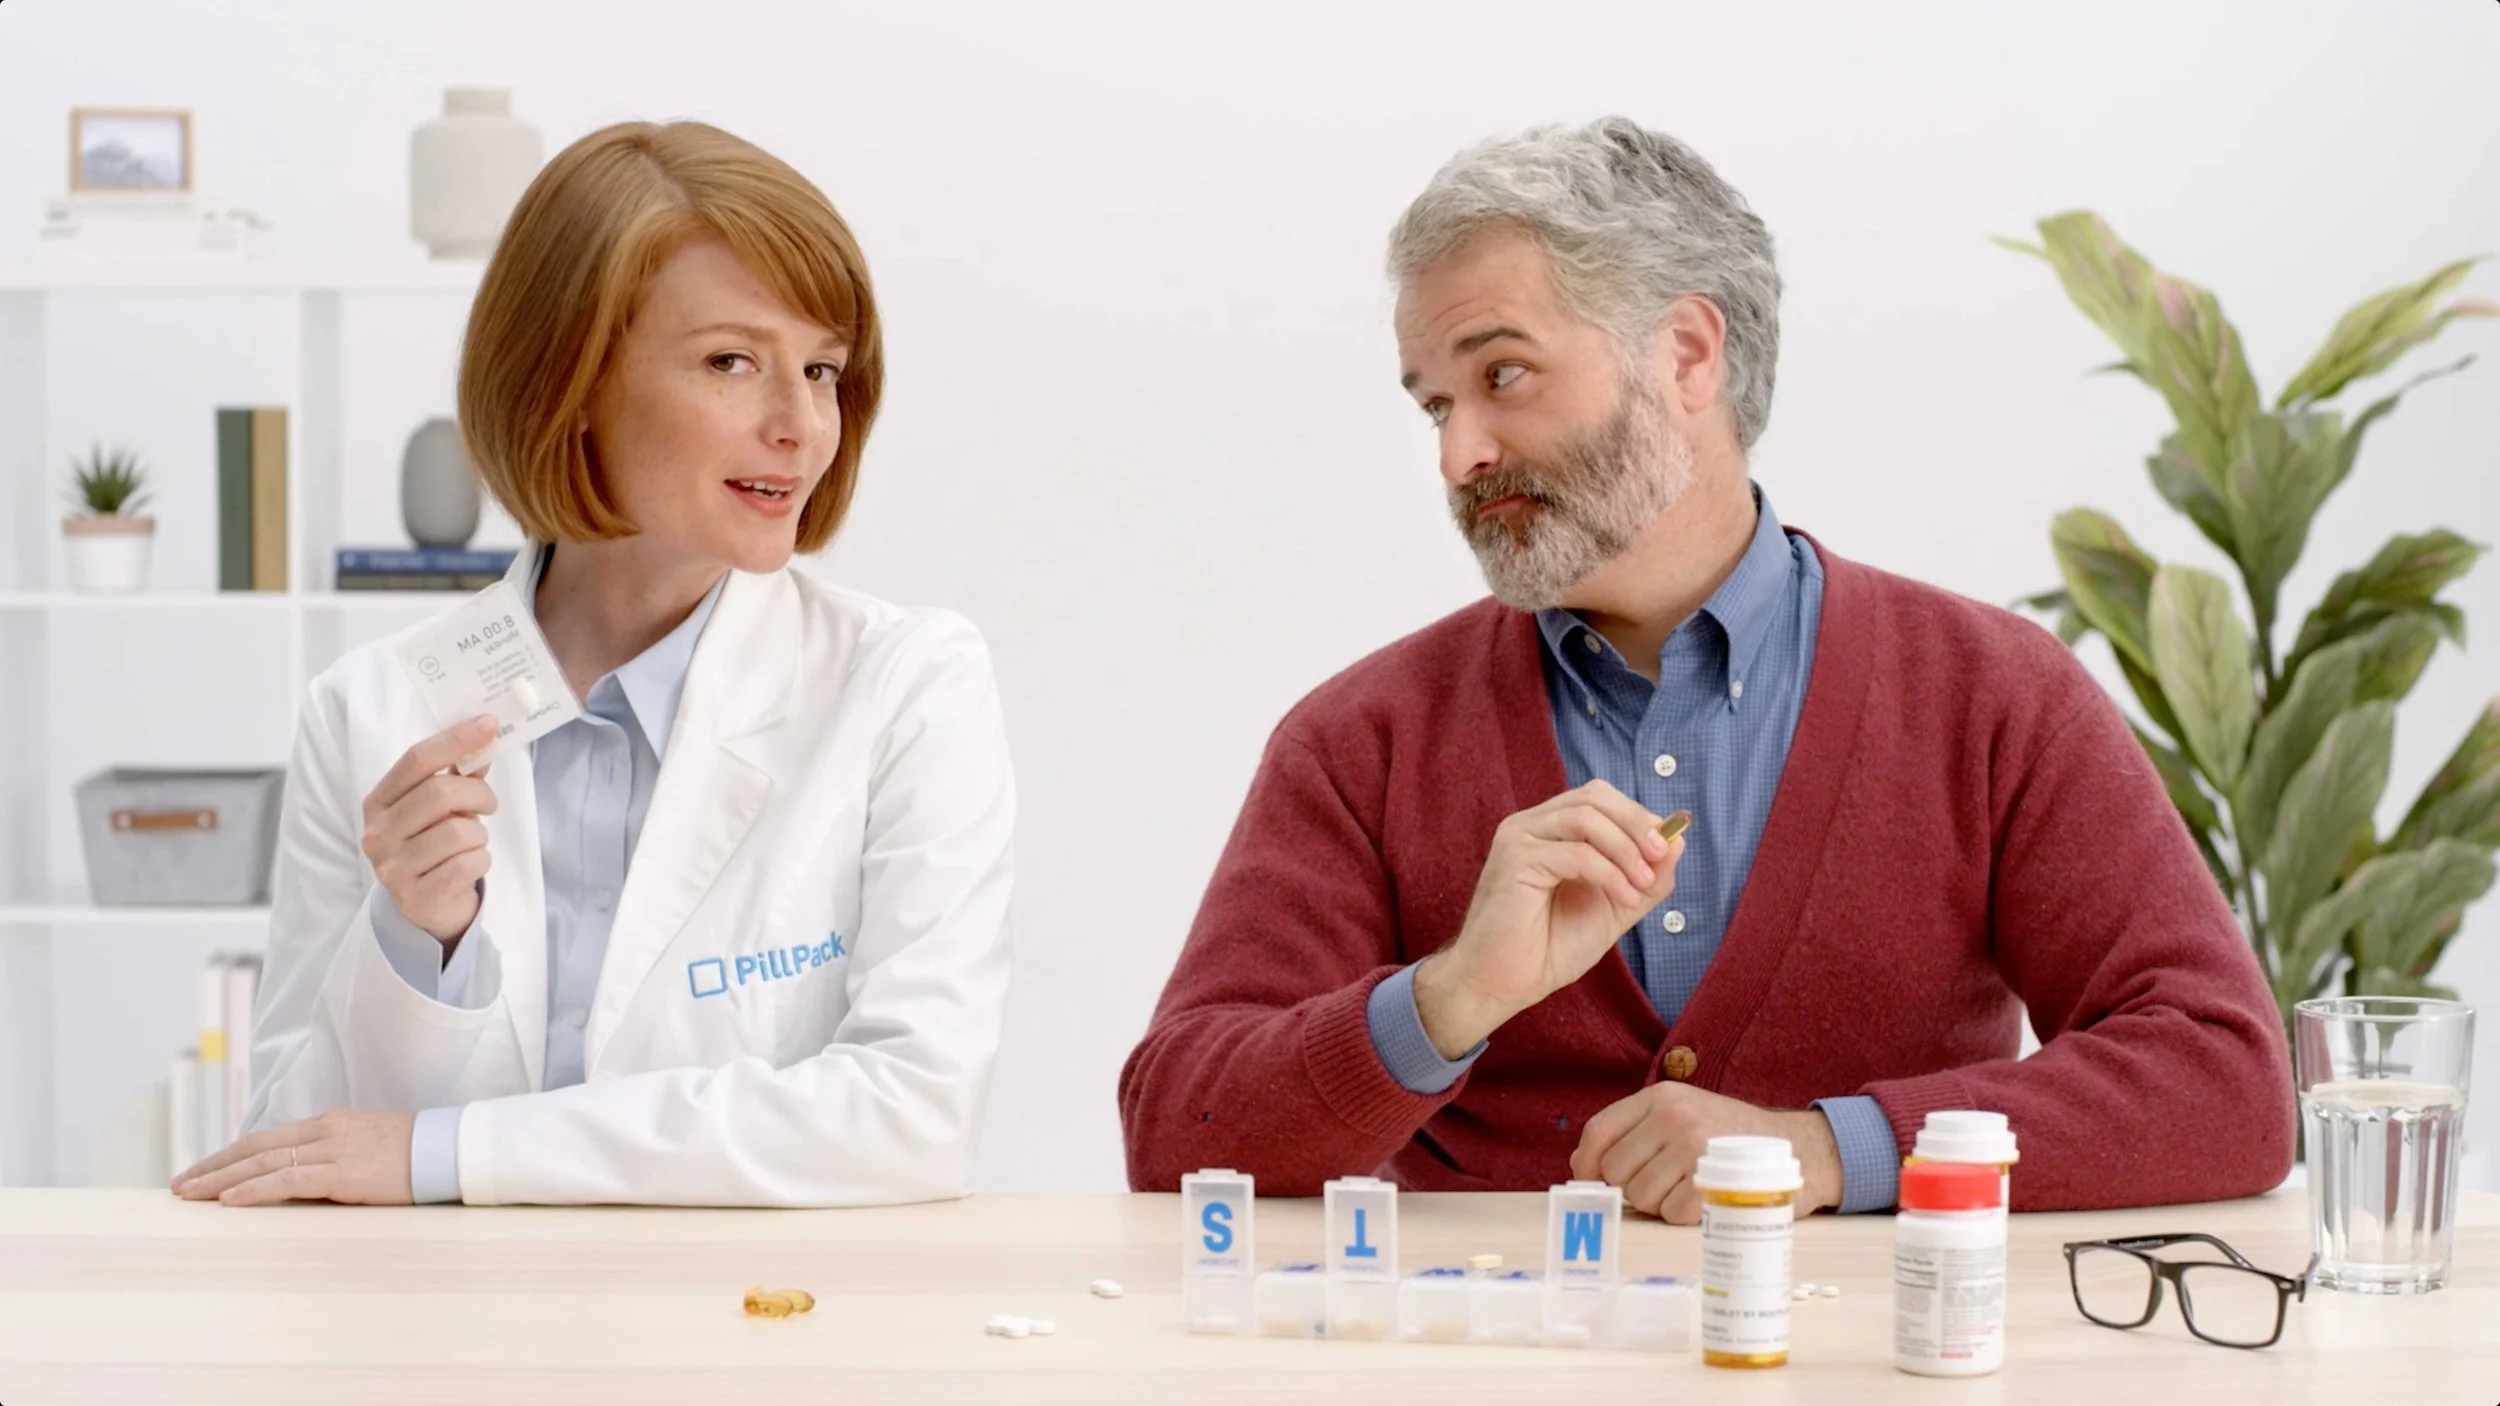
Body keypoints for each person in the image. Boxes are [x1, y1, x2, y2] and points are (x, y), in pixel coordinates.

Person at [1118, 116, 2294, 1219]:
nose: (1458, 453)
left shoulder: (1990, 695)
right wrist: (1449, 998)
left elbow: (2225, 1078)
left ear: (1685, 355)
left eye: (1502, 376)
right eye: (1434, 404)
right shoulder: (1361, 739)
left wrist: (1831, 1149)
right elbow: (1176, 1124)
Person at [172, 121, 1016, 1208]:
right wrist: (418, 943)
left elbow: (915, 1115)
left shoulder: (906, 686)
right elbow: (299, 1149)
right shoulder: (371, 711)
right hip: (442, 1340)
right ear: (571, 378)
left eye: (821, 369)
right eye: (732, 361)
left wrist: (452, 1153)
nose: (802, 424)